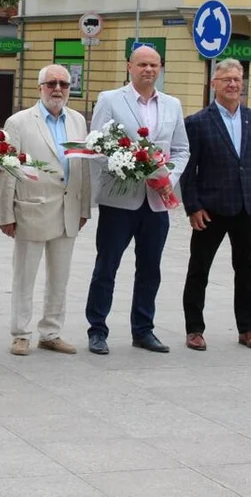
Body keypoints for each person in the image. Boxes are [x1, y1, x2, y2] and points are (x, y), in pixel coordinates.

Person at [84, 45, 189, 355]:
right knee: (107, 267)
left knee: (150, 268)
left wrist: (168, 178)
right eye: (142, 64)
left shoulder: (172, 105)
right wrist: (123, 165)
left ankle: (143, 330)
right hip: (119, 200)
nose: (148, 70)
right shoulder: (111, 100)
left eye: (154, 65)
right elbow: (97, 145)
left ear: (161, 68)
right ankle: (97, 329)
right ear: (129, 66)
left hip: (157, 200)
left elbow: (182, 149)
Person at [180, 59, 251, 352]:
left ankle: (248, 328)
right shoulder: (197, 122)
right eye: (226, 80)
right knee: (199, 269)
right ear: (214, 85)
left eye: (237, 79)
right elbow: (188, 169)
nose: (233, 84)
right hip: (210, 209)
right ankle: (194, 329)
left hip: (246, 207)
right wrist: (192, 206)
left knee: (246, 269)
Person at [0, 64, 91, 357]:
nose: (58, 89)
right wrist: (5, 214)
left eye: (63, 83)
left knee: (60, 277)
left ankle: (51, 332)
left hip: (67, 209)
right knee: (24, 276)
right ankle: (21, 333)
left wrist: (84, 205)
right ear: (40, 88)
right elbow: (7, 168)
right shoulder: (20, 122)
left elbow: (82, 165)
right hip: (31, 209)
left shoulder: (77, 120)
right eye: (51, 84)